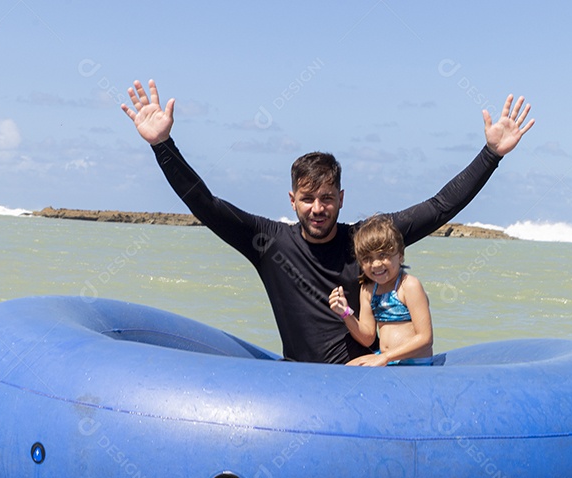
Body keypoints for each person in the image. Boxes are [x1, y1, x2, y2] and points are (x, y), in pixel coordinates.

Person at [121, 79, 534, 364]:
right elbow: (205, 204)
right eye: (307, 199)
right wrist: (163, 145)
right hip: (300, 386)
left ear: (341, 198)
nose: (317, 208)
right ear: (292, 201)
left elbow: (440, 206)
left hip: (360, 381)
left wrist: (491, 155)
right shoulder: (269, 241)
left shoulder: (368, 241)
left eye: (326, 198)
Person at [329, 216, 432, 367]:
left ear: (400, 256)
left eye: (383, 255)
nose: (376, 264)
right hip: (385, 358)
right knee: (346, 369)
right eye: (367, 258)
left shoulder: (408, 286)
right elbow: (367, 338)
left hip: (414, 362)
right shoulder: (368, 289)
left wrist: (385, 358)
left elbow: (425, 338)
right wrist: (345, 313)